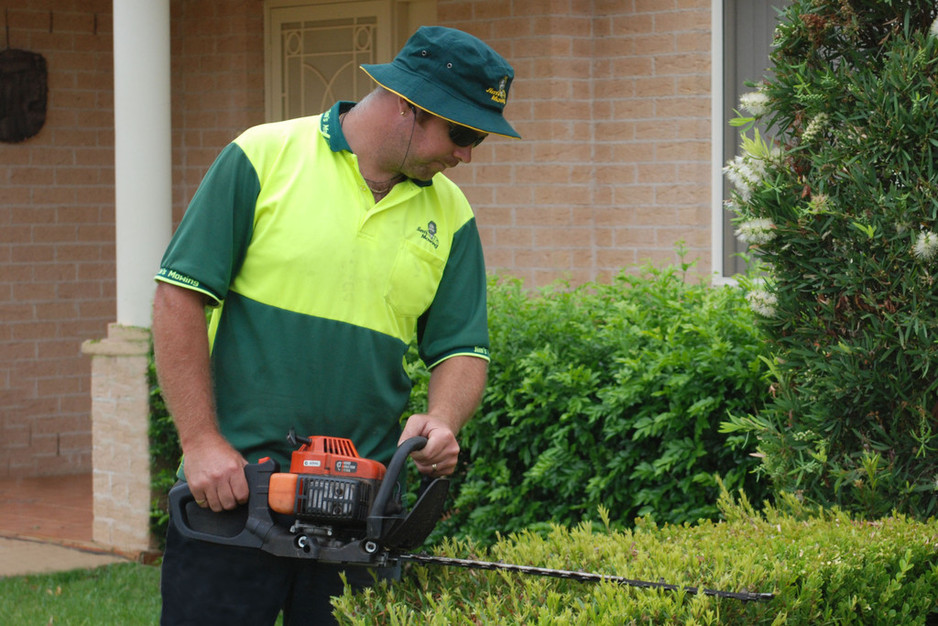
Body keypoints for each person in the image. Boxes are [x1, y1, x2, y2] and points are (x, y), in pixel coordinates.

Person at [152, 25, 520, 625]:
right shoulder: (262, 156)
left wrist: (445, 419)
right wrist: (199, 443)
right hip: (233, 490)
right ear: (409, 105)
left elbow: (463, 348)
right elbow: (179, 297)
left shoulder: (451, 213)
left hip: (363, 509)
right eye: (464, 132)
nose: (467, 154)